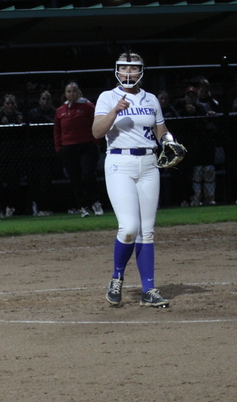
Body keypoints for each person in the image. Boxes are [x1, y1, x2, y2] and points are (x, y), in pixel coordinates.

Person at [92, 52, 177, 308]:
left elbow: (160, 130)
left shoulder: (150, 99)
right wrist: (115, 111)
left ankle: (148, 290)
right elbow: (96, 132)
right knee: (129, 227)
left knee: (147, 231)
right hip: (120, 163)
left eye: (133, 69)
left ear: (142, 71)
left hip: (149, 164)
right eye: (124, 68)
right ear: (117, 70)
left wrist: (170, 142)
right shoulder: (108, 97)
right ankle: (117, 277)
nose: (128, 73)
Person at [53, 82, 103, 217]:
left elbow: (96, 123)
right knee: (75, 179)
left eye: (74, 91)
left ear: (79, 92)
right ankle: (83, 206)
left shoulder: (88, 107)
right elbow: (57, 130)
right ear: (65, 94)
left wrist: (95, 141)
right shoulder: (60, 111)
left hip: (86, 146)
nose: (71, 94)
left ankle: (95, 202)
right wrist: (59, 147)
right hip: (68, 148)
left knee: (88, 174)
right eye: (68, 91)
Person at [175, 86, 215, 206]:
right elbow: (176, 120)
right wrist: (186, 112)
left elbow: (203, 124)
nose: (190, 98)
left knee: (197, 172)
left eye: (193, 96)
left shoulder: (200, 108)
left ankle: (198, 198)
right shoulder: (179, 106)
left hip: (196, 145)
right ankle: (185, 199)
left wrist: (194, 113)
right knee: (181, 173)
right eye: (188, 95)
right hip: (180, 144)